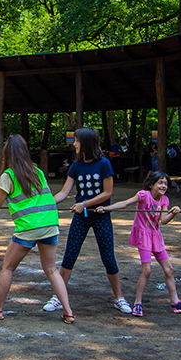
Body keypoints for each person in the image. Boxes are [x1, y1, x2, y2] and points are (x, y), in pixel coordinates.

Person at [0, 134, 74, 323]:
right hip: (50, 223)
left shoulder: (8, 176)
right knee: (51, 270)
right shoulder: (37, 171)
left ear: (7, 154)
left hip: (29, 227)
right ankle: (68, 312)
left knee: (8, 267)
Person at [46, 127, 130, 315]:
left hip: (100, 216)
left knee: (108, 257)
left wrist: (84, 203)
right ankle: (58, 297)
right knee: (69, 256)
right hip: (80, 218)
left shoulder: (104, 164)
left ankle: (119, 298)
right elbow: (64, 192)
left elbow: (107, 193)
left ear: (86, 142)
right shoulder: (76, 166)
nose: (74, 144)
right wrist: (45, 202)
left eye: (76, 140)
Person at [95, 171, 181, 316]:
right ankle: (138, 303)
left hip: (156, 236)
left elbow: (163, 220)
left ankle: (176, 302)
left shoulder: (164, 200)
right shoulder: (143, 195)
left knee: (169, 269)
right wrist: (106, 208)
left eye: (166, 184)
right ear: (151, 184)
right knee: (147, 271)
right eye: (160, 183)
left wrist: (173, 212)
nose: (164, 186)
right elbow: (125, 203)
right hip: (143, 236)